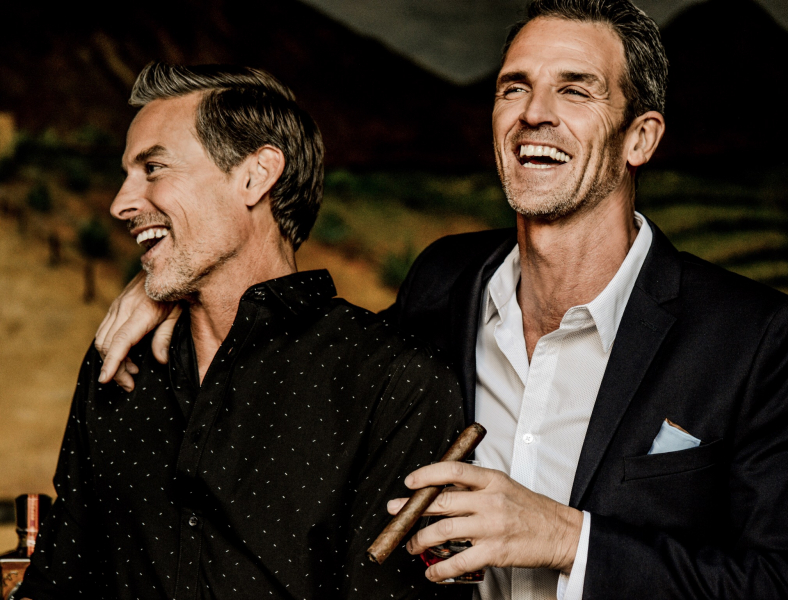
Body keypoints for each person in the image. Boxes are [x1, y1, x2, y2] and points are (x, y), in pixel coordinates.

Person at [94, 1, 788, 599]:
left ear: (640, 138)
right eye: (513, 86)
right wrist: (175, 284)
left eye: (575, 89)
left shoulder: (754, 338)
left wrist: (570, 541)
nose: (534, 112)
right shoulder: (443, 281)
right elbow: (320, 372)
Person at [18, 63, 467, 600]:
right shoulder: (117, 359)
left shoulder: (395, 385)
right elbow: (57, 584)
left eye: (153, 168)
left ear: (256, 175)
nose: (121, 204)